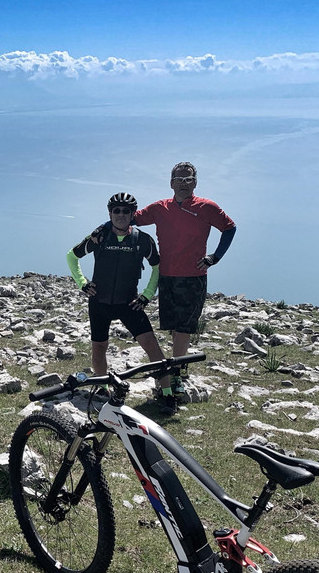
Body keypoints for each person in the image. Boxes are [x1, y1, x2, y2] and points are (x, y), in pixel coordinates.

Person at [134, 162, 236, 406]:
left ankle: (176, 375)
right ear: (171, 182)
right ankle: (177, 365)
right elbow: (131, 219)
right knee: (172, 325)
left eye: (188, 179)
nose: (183, 183)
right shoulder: (160, 208)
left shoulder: (207, 207)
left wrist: (215, 257)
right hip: (167, 275)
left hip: (193, 276)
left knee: (184, 327)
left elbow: (230, 228)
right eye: (179, 179)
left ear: (195, 182)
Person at [67, 192, 165, 385]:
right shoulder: (99, 237)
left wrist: (147, 295)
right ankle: (102, 388)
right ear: (110, 213)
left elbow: (157, 267)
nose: (121, 214)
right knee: (99, 347)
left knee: (150, 344)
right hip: (99, 302)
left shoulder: (143, 240)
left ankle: (167, 392)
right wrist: (82, 283)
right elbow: (72, 256)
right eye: (116, 211)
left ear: (132, 214)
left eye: (126, 211)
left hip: (129, 302)